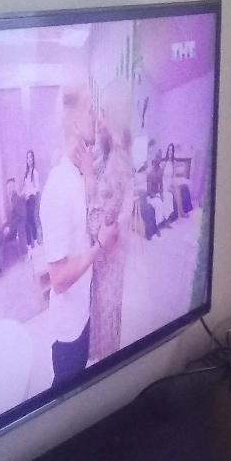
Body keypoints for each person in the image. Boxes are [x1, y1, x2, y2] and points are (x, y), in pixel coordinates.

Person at [41, 89, 119, 387]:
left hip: (83, 311)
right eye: (90, 111)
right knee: (65, 399)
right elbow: (59, 279)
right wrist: (100, 246)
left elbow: (84, 218)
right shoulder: (58, 186)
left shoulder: (76, 175)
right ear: (75, 124)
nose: (96, 118)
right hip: (68, 328)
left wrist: (89, 176)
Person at [88, 85, 135, 363]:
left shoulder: (118, 163)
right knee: (106, 310)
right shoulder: (109, 153)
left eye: (104, 113)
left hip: (108, 259)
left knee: (106, 312)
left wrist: (87, 181)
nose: (99, 120)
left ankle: (105, 366)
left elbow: (100, 222)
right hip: (107, 259)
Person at [0, 178, 27, 279]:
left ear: (14, 187)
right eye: (8, 187)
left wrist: (9, 227)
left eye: (11, 186)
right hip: (10, 226)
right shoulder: (12, 198)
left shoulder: (16, 199)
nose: (9, 189)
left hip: (12, 229)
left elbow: (20, 216)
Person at [21, 150, 40, 249]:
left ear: (33, 159)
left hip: (32, 199)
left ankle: (36, 245)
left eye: (31, 157)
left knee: (31, 221)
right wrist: (22, 194)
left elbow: (37, 188)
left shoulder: (35, 172)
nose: (29, 159)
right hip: (26, 200)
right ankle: (29, 248)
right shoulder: (26, 173)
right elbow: (25, 187)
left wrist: (30, 194)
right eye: (28, 157)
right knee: (26, 223)